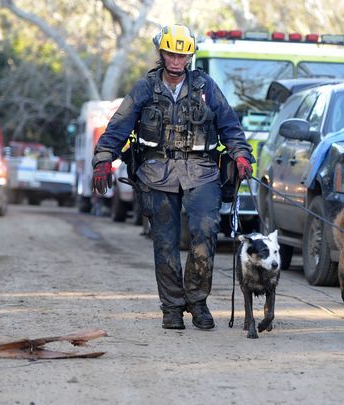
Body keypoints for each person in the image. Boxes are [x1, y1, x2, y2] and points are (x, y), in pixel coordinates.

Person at [91, 24, 254, 330]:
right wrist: (103, 159)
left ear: (190, 56)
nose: (177, 60)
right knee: (165, 243)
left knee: (205, 234)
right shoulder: (145, 87)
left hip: (202, 173)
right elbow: (118, 127)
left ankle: (198, 302)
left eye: (182, 54)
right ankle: (172, 307)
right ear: (161, 54)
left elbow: (230, 125)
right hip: (156, 174)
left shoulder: (206, 87)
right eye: (171, 54)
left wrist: (241, 154)